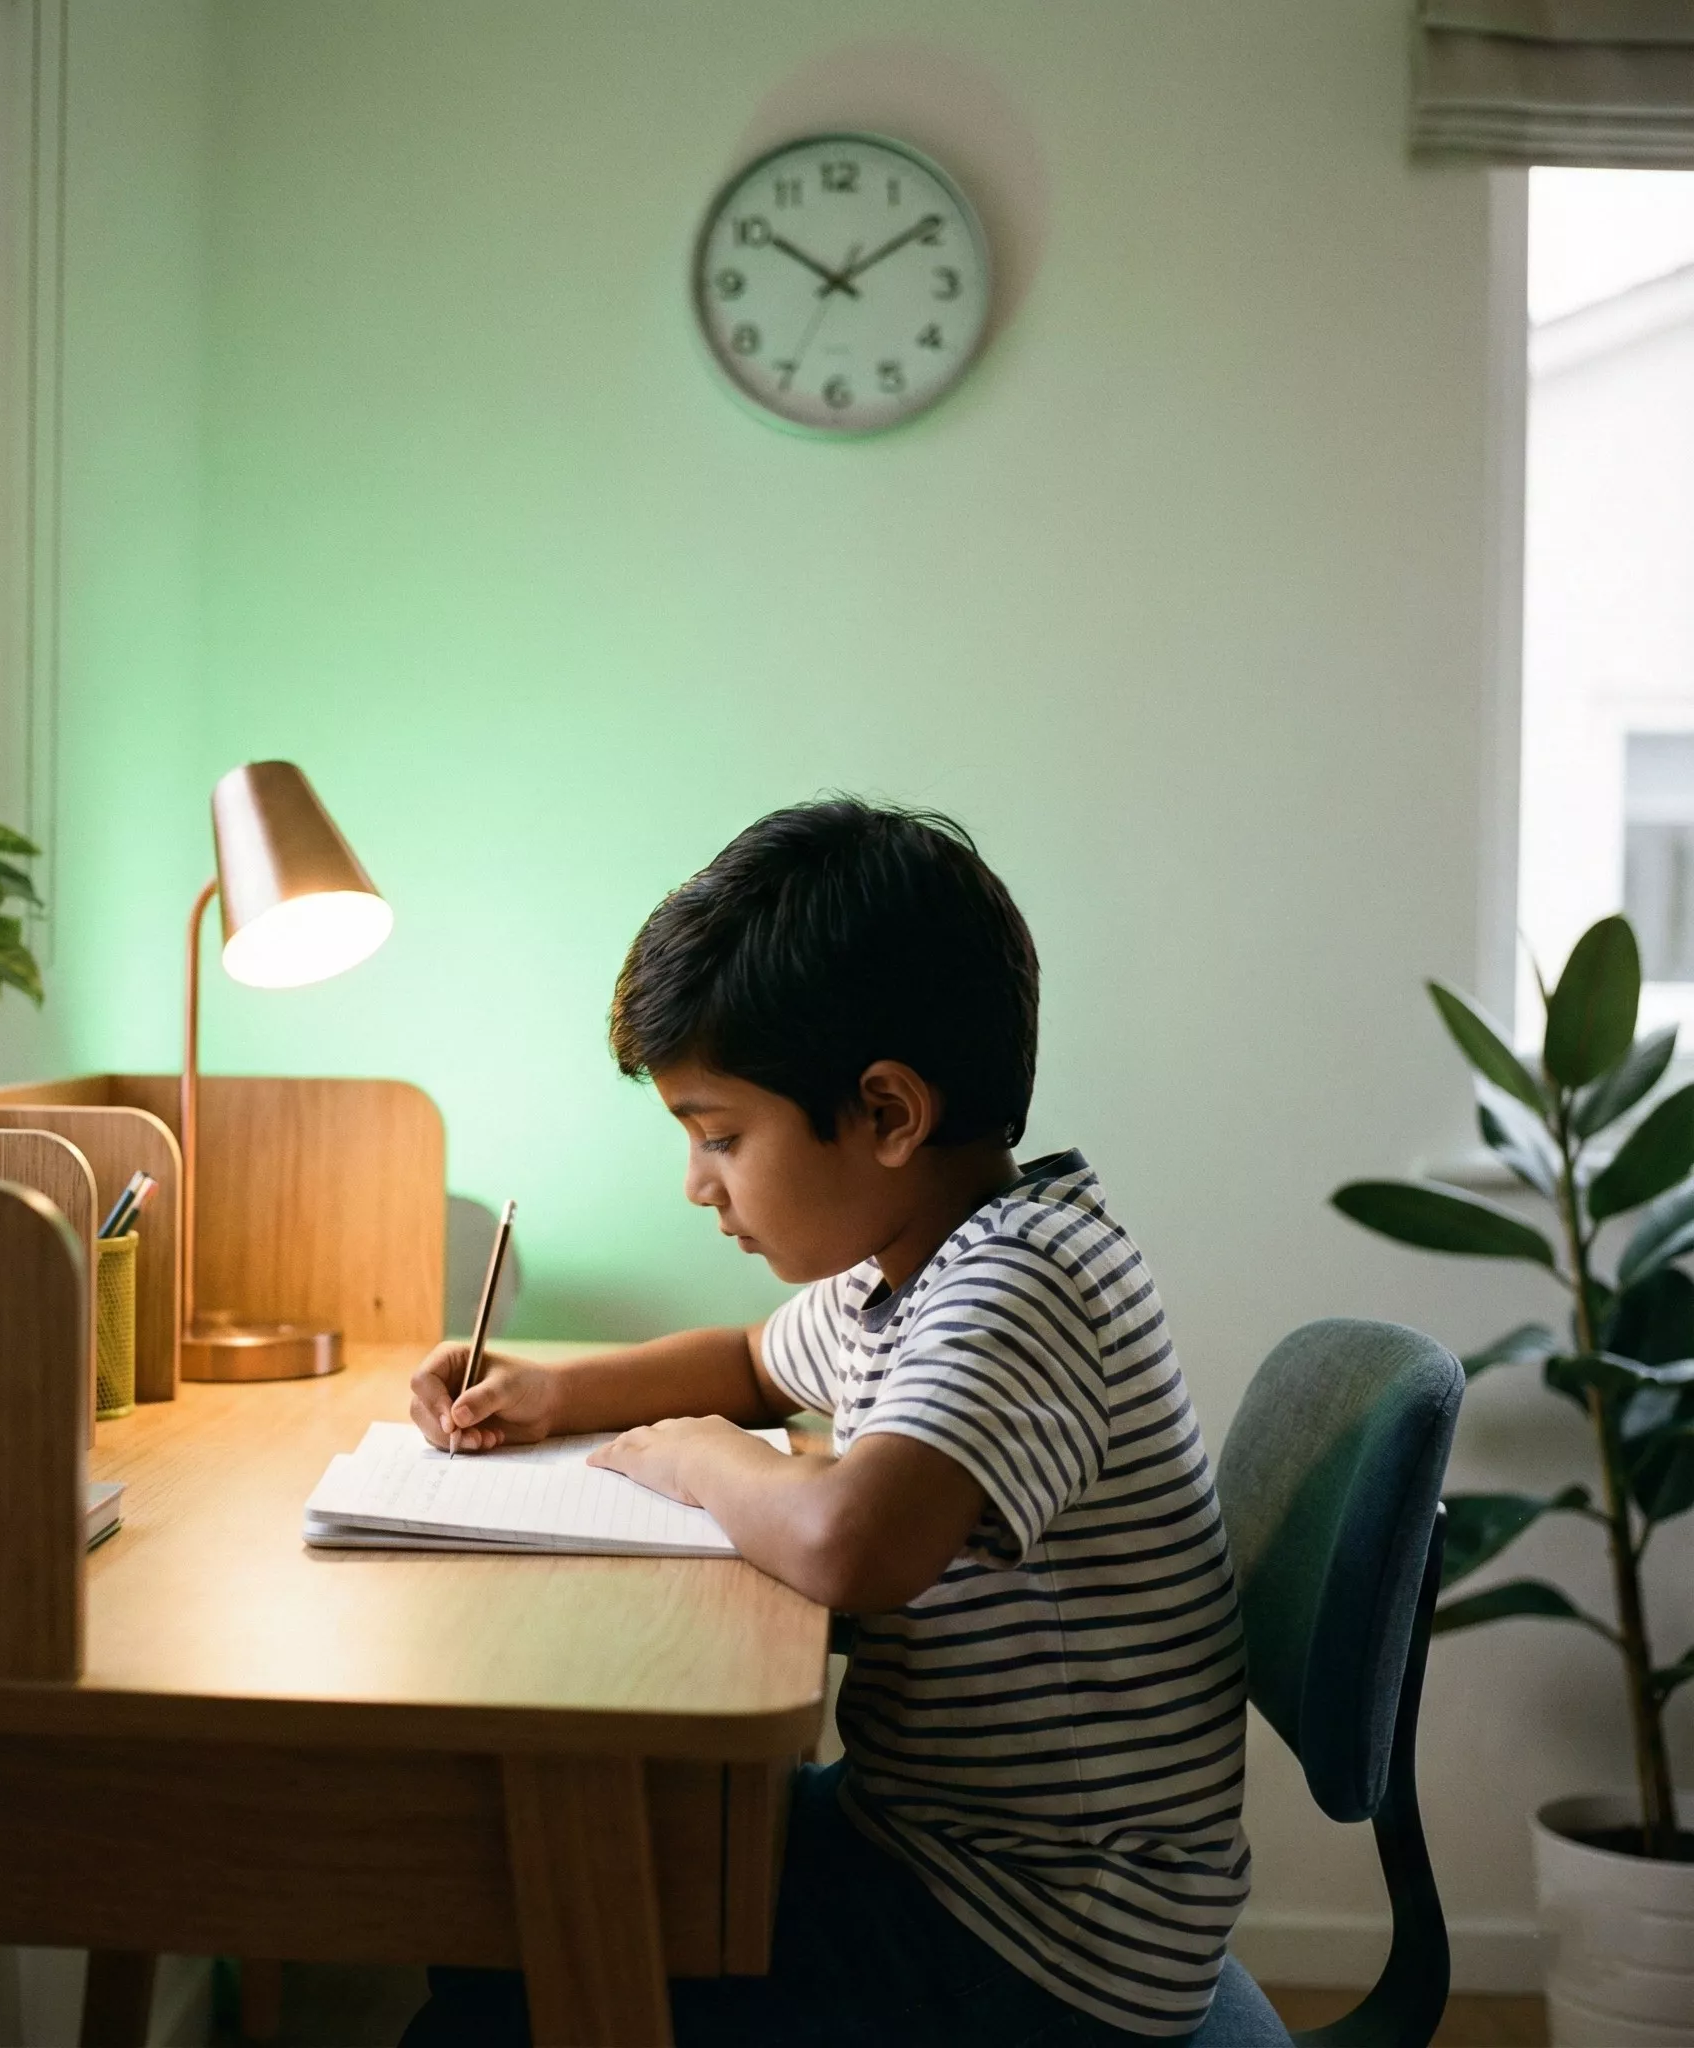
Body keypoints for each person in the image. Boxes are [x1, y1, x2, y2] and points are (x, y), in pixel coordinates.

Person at [401, 799, 1249, 2047]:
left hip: (1045, 1933)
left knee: (501, 1991)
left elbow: (854, 1542)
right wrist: (549, 1388)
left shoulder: (1026, 1279)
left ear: (887, 1114)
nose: (698, 1184)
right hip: (942, 1849)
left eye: (721, 1135)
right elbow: (752, 1359)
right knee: (495, 1909)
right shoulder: (900, 1269)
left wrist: (695, 1454)